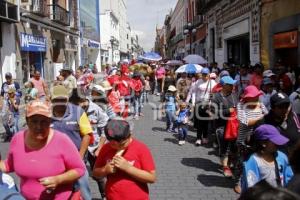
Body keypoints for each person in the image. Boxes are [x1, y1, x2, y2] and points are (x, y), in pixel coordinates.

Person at [0, 100, 85, 199]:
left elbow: (80, 169)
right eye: (34, 121)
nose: (39, 126)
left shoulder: (62, 140)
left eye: (44, 121)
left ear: (50, 121)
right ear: (27, 121)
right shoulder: (17, 139)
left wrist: (58, 179)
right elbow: (9, 165)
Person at [93, 119, 156, 200]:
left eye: (123, 144)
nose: (119, 147)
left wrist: (128, 168)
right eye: (114, 145)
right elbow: (95, 173)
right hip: (112, 196)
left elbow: (152, 178)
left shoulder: (141, 148)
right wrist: (105, 170)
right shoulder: (106, 148)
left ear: (130, 135)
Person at [50, 85, 93, 200]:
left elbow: (87, 135)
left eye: (62, 100)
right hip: (54, 162)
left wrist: (79, 157)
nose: (59, 103)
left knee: (83, 190)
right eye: (56, 100)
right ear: (51, 99)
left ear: (67, 99)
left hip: (77, 160)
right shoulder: (46, 114)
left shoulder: (78, 112)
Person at [234, 85, 268, 194]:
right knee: (242, 161)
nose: (257, 98)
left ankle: (254, 181)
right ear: (247, 98)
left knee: (256, 160)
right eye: (254, 97)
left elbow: (267, 114)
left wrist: (261, 116)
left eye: (257, 96)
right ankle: (238, 182)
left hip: (258, 139)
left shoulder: (260, 104)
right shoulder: (241, 105)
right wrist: (260, 117)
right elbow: (245, 122)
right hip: (243, 140)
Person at [241, 125, 293, 191]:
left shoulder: (282, 157)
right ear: (263, 143)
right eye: (275, 141)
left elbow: (289, 178)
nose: (278, 144)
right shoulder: (252, 162)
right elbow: (250, 187)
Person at [213, 76, 238, 177]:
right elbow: (214, 112)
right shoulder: (216, 97)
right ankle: (225, 167)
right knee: (224, 147)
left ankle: (228, 163)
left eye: (233, 84)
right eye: (230, 84)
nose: (233, 86)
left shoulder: (234, 95)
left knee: (233, 146)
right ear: (224, 85)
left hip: (234, 126)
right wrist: (228, 111)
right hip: (221, 126)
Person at [192, 67, 216, 146]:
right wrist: (193, 103)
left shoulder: (213, 83)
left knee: (206, 122)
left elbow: (216, 93)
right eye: (203, 75)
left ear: (209, 75)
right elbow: (194, 92)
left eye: (206, 75)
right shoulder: (198, 82)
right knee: (199, 122)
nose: (204, 76)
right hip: (199, 104)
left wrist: (213, 97)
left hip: (208, 105)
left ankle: (205, 137)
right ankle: (198, 138)